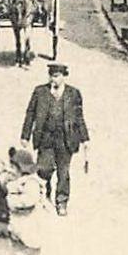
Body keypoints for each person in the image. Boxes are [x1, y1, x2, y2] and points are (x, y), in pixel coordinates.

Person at [20, 63, 89, 216]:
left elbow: (79, 117)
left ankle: (62, 201)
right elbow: (30, 114)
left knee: (63, 173)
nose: (53, 79)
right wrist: (25, 135)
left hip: (66, 140)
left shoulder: (74, 93)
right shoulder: (40, 92)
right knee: (44, 169)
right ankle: (44, 195)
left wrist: (85, 139)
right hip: (46, 138)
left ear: (64, 77)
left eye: (57, 76)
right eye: (51, 75)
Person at [3, 146, 52, 255]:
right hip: (19, 222)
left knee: (29, 246)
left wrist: (10, 201)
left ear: (20, 168)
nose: (10, 170)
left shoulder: (31, 183)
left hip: (29, 221)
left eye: (13, 167)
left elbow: (28, 201)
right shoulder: (17, 181)